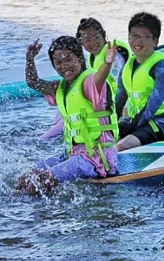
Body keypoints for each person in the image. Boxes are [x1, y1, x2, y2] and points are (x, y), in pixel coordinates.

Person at [17, 36, 119, 194]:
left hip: (98, 158)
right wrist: (29, 58)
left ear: (79, 58)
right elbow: (33, 82)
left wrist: (107, 63)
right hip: (75, 153)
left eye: (68, 59)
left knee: (39, 182)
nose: (64, 66)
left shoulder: (90, 82)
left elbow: (100, 78)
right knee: (26, 177)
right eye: (58, 62)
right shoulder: (59, 87)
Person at [115, 13, 164, 151]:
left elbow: (151, 108)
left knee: (120, 146)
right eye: (134, 36)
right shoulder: (128, 66)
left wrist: (129, 129)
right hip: (135, 122)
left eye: (144, 37)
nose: (138, 41)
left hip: (160, 125)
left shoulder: (163, 68)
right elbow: (119, 103)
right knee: (102, 143)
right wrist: (112, 128)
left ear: (155, 41)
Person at [76, 17, 130, 99]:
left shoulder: (113, 54)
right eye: (87, 40)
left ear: (103, 35)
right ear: (81, 43)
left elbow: (120, 82)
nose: (93, 43)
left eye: (96, 37)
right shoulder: (92, 57)